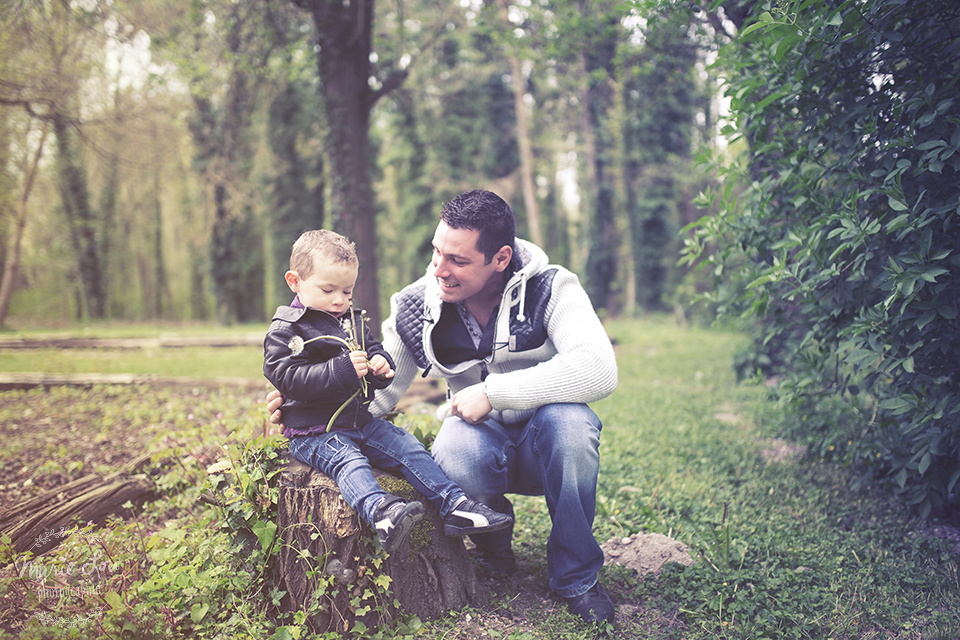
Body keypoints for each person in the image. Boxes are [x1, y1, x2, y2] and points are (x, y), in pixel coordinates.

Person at [268, 192, 618, 624]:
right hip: (478, 438)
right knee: (453, 449)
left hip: (548, 440)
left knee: (571, 425)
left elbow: (599, 368)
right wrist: (307, 404)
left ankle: (577, 577)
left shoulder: (551, 287)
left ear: (500, 258)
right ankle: (494, 547)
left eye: (457, 260)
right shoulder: (417, 304)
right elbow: (378, 395)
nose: (439, 269)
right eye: (437, 251)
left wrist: (494, 393)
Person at [263, 229, 512, 554]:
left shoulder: (349, 319)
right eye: (328, 290)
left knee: (406, 446)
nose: (340, 300)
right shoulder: (286, 330)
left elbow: (375, 349)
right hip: (315, 432)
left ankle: (456, 506)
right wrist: (341, 370)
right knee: (348, 461)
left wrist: (381, 365)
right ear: (295, 281)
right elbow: (287, 376)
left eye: (348, 292)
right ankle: (382, 513)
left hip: (360, 421)